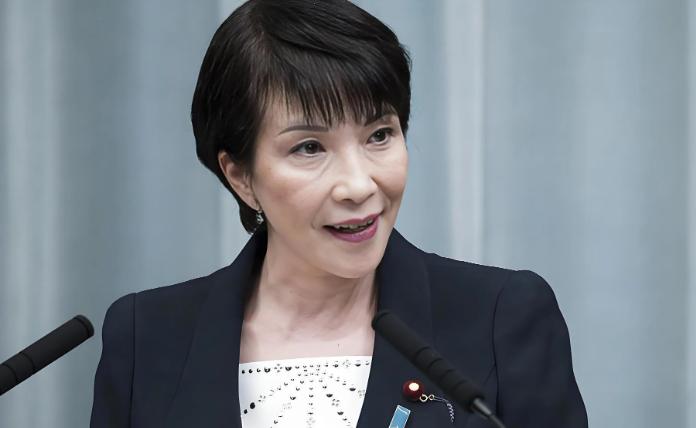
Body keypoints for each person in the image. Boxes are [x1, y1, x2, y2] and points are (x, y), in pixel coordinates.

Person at [90, 0, 587, 427]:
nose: (359, 185)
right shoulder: (146, 338)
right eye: (309, 147)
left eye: (380, 135)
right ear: (240, 176)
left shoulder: (502, 319)